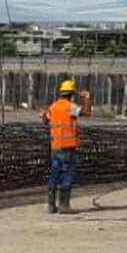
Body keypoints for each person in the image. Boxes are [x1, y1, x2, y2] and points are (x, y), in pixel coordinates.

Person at [43, 78, 81, 214]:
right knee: (68, 174)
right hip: (68, 147)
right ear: (72, 94)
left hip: (55, 147)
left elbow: (45, 119)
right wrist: (87, 99)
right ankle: (64, 205)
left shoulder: (53, 106)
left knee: (54, 174)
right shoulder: (72, 107)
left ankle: (51, 205)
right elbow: (87, 112)